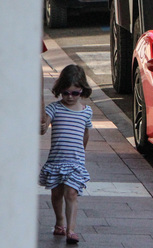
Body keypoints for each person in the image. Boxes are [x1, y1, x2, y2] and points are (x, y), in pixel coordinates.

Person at [39, 65, 93, 244]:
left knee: (71, 193)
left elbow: (85, 134)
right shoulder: (55, 109)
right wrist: (43, 124)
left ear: (82, 91)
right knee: (56, 194)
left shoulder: (86, 112)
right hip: (56, 160)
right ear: (60, 90)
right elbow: (44, 125)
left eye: (75, 93)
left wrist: (82, 153)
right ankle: (59, 221)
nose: (70, 97)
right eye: (66, 93)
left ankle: (71, 229)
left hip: (75, 161)